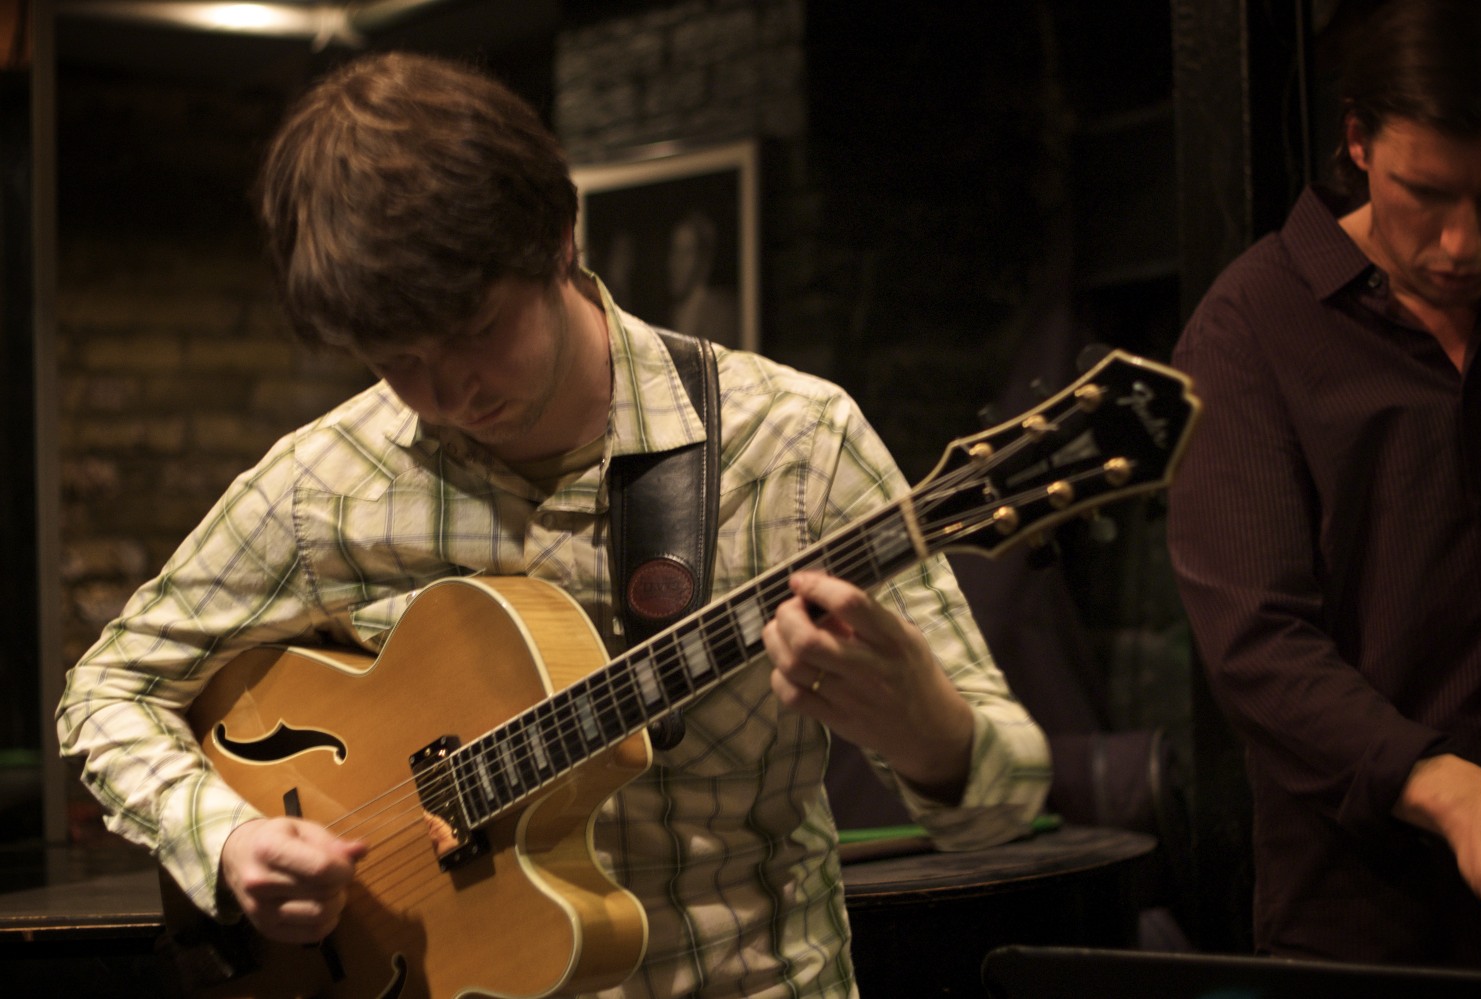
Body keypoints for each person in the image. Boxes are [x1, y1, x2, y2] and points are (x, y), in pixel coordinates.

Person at [54, 52, 1051, 998]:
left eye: (474, 331)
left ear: (559, 242)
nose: (442, 392)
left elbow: (1003, 804)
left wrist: (932, 734)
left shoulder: (794, 449)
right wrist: (225, 840)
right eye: (393, 357)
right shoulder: (327, 482)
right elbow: (106, 688)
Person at [1167, 0, 1481, 969]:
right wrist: (1452, 788)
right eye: (1428, 194)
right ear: (1357, 140)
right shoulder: (1250, 328)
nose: (1465, 244)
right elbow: (1257, 644)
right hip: (1368, 921)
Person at [666, 209, 741, 348]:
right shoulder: (672, 313)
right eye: (674, 250)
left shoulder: (723, 315)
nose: (677, 262)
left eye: (686, 253)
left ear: (704, 260)